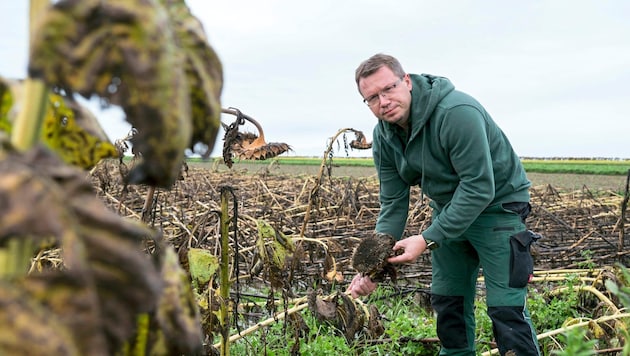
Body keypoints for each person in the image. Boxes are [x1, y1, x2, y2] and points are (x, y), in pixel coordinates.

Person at [346, 53, 541, 355]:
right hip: (449, 211)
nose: (382, 101)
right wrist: (373, 267)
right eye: (372, 98)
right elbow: (393, 203)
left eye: (388, 89)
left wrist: (427, 238)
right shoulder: (384, 137)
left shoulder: (456, 112)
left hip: (498, 209)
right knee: (449, 305)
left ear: (406, 81)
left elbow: (479, 187)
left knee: (507, 310)